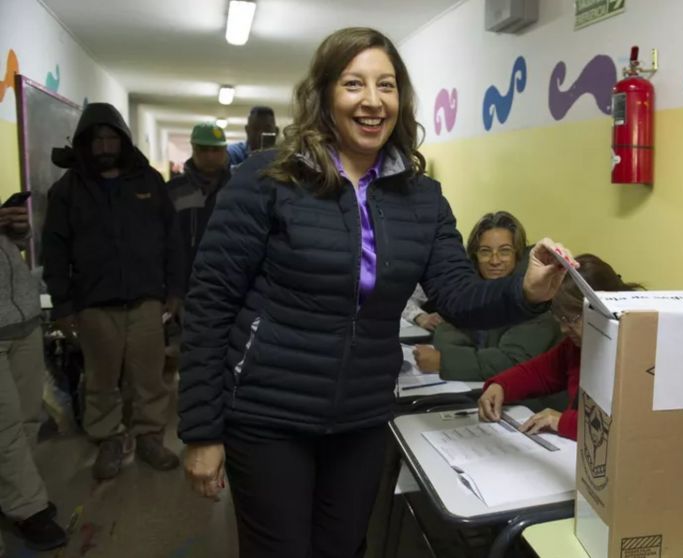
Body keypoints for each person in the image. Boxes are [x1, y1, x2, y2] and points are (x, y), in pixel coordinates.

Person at [178, 27, 574, 558]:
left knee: (343, 549)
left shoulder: (421, 196)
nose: (372, 101)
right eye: (353, 84)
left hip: (361, 417)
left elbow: (456, 294)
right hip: (268, 414)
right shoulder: (265, 181)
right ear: (323, 95)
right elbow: (209, 305)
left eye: (385, 85)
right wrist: (202, 431)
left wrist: (524, 290)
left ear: (399, 99)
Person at [42, 102, 184, 480]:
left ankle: (150, 436)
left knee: (149, 375)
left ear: (122, 141)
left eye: (111, 139)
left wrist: (175, 289)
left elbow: (172, 239)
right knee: (101, 377)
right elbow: (54, 251)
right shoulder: (67, 190)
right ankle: (108, 438)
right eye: (97, 140)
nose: (105, 147)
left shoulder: (148, 182)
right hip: (94, 302)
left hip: (146, 298)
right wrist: (62, 305)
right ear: (85, 144)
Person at [477, 254, 642, 440]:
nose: (564, 328)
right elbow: (540, 372)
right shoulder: (577, 345)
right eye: (560, 318)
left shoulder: (636, 350)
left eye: (572, 318)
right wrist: (501, 386)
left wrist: (562, 421)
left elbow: (629, 429)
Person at [413, 211, 560, 384]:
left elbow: (511, 362)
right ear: (474, 256)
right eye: (485, 252)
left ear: (517, 255)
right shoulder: (470, 290)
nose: (495, 260)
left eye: (504, 251)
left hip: (530, 403)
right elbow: (446, 334)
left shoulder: (535, 297)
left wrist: (444, 361)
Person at [0, 203, 68, 550]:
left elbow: (13, 251)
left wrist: (15, 231)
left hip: (22, 320)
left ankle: (11, 494)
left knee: (28, 418)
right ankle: (28, 509)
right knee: (5, 425)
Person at [168, 122, 232, 283]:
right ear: (193, 149)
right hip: (186, 283)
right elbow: (166, 242)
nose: (210, 156)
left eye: (216, 150)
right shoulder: (174, 191)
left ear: (225, 150)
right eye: (203, 150)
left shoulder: (237, 188)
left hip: (228, 283)